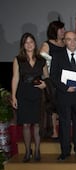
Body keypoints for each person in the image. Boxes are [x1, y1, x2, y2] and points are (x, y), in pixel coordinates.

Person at [50, 31, 76, 161]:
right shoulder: (57, 55)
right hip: (64, 95)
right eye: (69, 39)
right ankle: (65, 151)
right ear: (64, 41)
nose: (72, 42)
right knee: (64, 124)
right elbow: (53, 76)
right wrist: (65, 87)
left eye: (74, 39)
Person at [11, 33, 48, 162]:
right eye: (26, 42)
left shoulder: (41, 60)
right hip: (23, 94)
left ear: (35, 43)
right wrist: (14, 96)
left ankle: (37, 151)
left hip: (37, 94)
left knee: (37, 124)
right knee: (26, 125)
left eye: (31, 42)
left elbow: (46, 77)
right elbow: (15, 78)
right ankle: (27, 151)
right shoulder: (18, 59)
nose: (29, 44)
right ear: (23, 45)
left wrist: (45, 84)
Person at [40, 20, 65, 140]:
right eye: (61, 29)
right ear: (54, 30)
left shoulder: (64, 43)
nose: (63, 31)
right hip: (52, 79)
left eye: (63, 29)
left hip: (64, 78)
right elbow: (42, 62)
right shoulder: (47, 44)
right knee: (53, 105)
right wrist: (48, 79)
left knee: (62, 105)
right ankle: (54, 131)